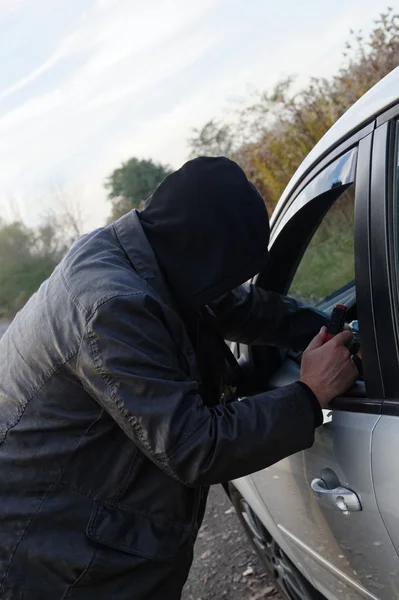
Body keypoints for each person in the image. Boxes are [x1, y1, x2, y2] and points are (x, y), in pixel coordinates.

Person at [0, 157, 357, 600]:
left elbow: (239, 307)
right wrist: (309, 395)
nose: (229, 287)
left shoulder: (155, 252)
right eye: (228, 274)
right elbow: (194, 447)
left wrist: (334, 329)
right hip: (55, 555)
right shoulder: (111, 307)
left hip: (82, 523)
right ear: (202, 258)